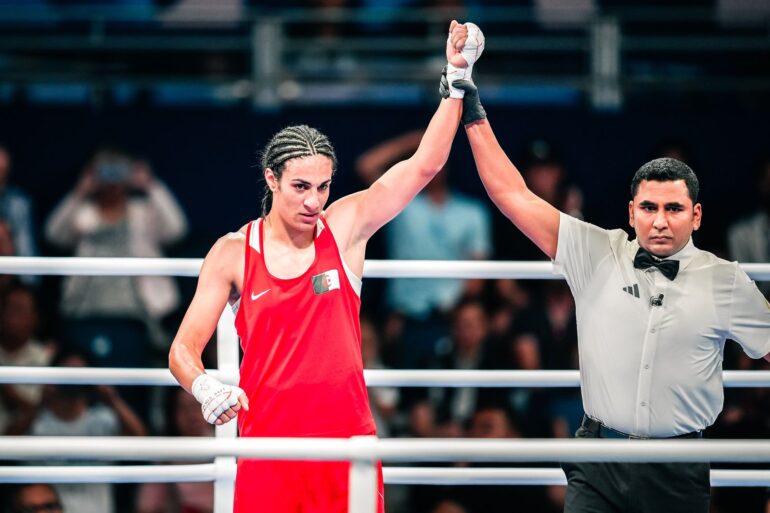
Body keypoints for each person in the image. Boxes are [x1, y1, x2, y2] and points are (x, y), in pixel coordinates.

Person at [168, 20, 484, 513]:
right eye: (300, 187)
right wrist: (204, 385)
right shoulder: (233, 251)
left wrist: (456, 78)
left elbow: (424, 164)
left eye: (323, 187)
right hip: (267, 447)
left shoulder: (344, 228)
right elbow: (182, 349)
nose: (313, 201)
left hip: (347, 442)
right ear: (272, 179)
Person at [443, 38, 770, 513]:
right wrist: (471, 108)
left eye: (674, 209)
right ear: (631, 212)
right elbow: (513, 195)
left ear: (696, 216)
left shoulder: (726, 280)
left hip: (678, 466)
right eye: (649, 208)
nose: (661, 221)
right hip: (597, 459)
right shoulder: (596, 251)